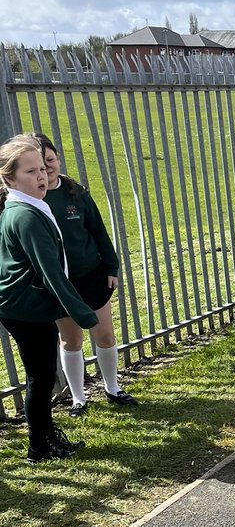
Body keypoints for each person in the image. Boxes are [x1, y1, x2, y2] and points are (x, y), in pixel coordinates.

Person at [0, 135, 98, 463]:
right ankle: (38, 447)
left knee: (42, 376)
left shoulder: (29, 205)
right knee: (40, 378)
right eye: (30, 172)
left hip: (29, 305)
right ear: (10, 178)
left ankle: (45, 436)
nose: (41, 176)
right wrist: (83, 314)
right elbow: (51, 273)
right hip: (25, 309)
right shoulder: (25, 215)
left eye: (42, 169)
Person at [31, 132, 136, 416]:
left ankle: (113, 387)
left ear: (58, 159)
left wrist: (111, 267)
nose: (46, 168)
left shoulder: (76, 191)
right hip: (60, 282)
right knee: (71, 340)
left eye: (50, 160)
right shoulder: (32, 200)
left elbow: (98, 230)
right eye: (39, 164)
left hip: (91, 274)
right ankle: (79, 398)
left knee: (105, 335)